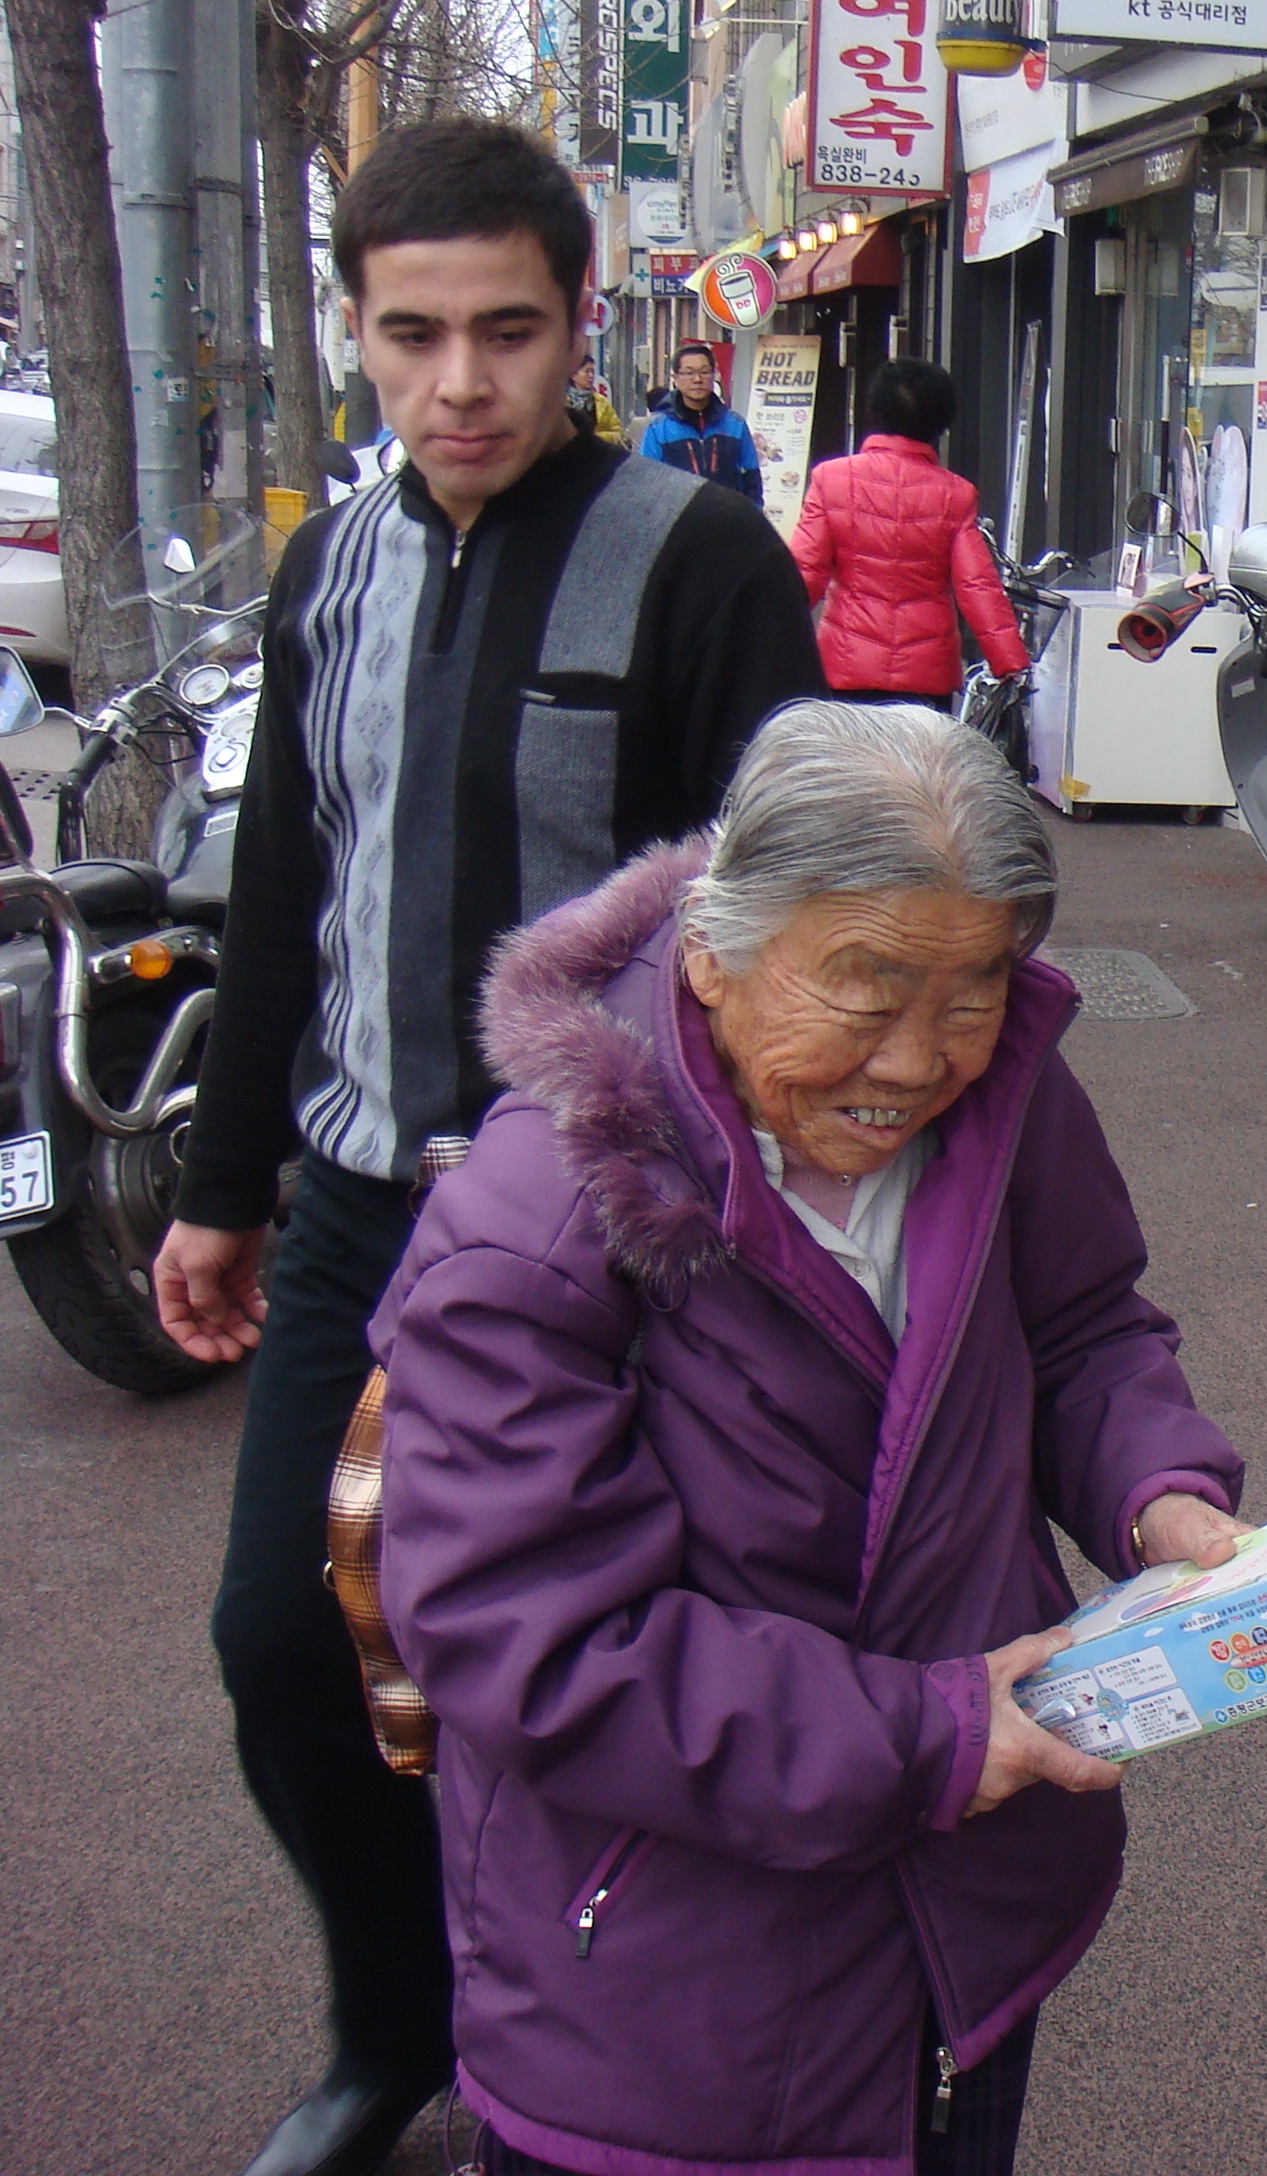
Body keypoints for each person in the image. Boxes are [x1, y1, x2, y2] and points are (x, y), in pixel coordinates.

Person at [151, 117, 828, 2176]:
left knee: (608, 1654)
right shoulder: (328, 560)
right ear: (357, 333)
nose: (464, 385)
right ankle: (399, 2021)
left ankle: (625, 2042)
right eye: (415, 335)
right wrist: (217, 1180)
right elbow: (290, 875)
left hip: (614, 1231)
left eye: (510, 333)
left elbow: (786, 896)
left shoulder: (697, 556)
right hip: (362, 1202)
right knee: (284, 1637)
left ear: (576, 329)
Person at [374, 701, 1246, 2175]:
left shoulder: (1008, 1102)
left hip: (962, 1910)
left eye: (976, 991)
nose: (918, 1062)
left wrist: (1164, 1494)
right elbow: (540, 1644)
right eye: (864, 987)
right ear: (713, 950)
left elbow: (1085, 1325)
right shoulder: (534, 1229)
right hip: (665, 1975)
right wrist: (945, 1728)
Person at [790, 358, 1031, 706]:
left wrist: (767, 647)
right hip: (925, 675)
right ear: (940, 423)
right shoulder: (955, 494)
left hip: (846, 666)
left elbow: (804, 575)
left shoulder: (831, 480)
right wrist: (1008, 660)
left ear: (877, 411)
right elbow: (977, 586)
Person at [638, 340, 764, 501]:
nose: (697, 379)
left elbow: (752, 478)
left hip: (727, 520)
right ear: (675, 378)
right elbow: (648, 481)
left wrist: (752, 519)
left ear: (713, 376)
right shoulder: (659, 428)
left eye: (704, 372)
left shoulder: (735, 424)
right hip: (679, 522)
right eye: (689, 373)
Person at [566, 353, 625, 446]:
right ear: (573, 375)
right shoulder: (564, 402)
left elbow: (618, 432)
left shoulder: (600, 402)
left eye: (593, 372)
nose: (591, 376)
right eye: (587, 371)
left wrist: (597, 437)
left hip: (598, 453)